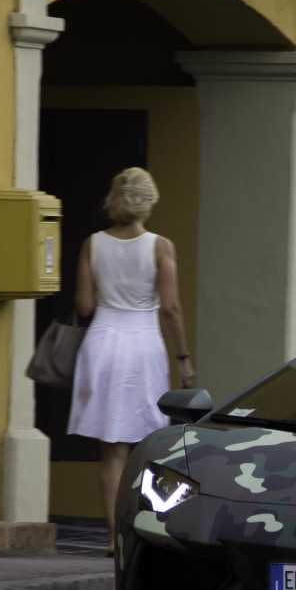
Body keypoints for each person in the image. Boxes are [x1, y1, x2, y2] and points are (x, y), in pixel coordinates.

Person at [68, 167, 194, 557]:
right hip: (142, 345)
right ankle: (145, 530)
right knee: (148, 445)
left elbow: (84, 305)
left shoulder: (92, 244)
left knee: (111, 449)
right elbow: (170, 308)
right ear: (150, 202)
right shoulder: (160, 247)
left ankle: (111, 537)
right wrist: (184, 359)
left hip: (102, 342)